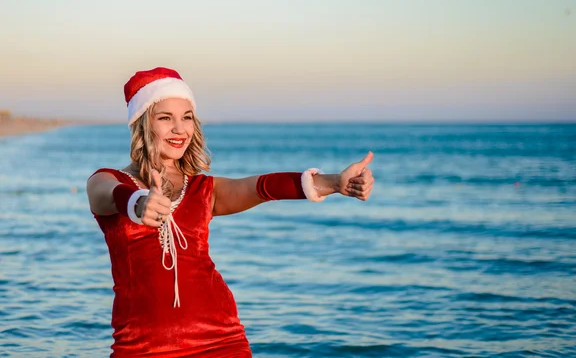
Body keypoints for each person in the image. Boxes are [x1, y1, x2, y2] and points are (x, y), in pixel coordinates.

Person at [86, 67, 375, 357]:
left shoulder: (202, 190)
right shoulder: (109, 180)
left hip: (221, 340)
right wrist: (139, 203)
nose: (180, 129)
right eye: (165, 118)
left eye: (187, 117)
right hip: (142, 347)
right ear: (141, 124)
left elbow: (261, 187)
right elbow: (106, 195)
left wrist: (334, 182)